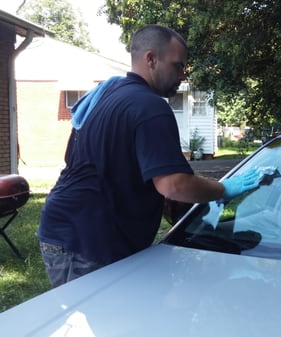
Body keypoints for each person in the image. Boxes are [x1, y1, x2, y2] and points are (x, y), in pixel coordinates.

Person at [37, 25, 261, 288]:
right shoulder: (150, 106)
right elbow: (174, 185)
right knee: (115, 322)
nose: (182, 74)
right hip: (87, 240)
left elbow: (77, 157)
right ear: (151, 59)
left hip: (66, 230)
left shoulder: (107, 95)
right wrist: (222, 189)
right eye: (178, 66)